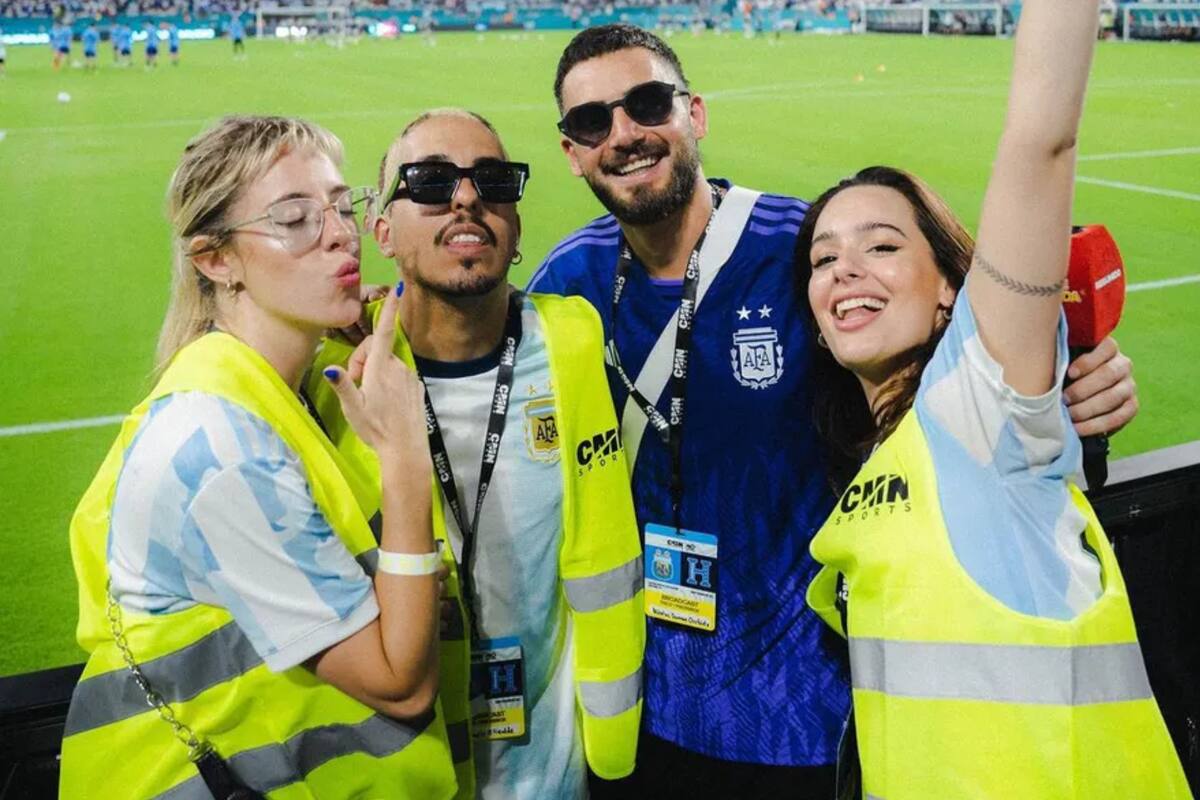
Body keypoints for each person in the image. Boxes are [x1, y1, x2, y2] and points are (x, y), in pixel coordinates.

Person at [528, 22, 1141, 799]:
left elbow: (956, 349)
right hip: (646, 713)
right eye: (593, 121)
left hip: (809, 718)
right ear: (572, 151)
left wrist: (1074, 380)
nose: (623, 134)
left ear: (695, 113)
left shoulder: (805, 251)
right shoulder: (568, 281)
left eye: (648, 103)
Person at [796, 1, 1191, 796]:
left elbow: (1041, 139)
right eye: (823, 259)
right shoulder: (875, 466)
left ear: (952, 285)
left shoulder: (979, 401)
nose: (846, 270)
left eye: (882, 245)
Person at [60, 115, 458, 799]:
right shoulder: (223, 450)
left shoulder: (297, 389)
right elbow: (401, 683)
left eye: (342, 207)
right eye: (294, 219)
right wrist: (404, 462)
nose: (340, 234)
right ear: (216, 260)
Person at [308, 108, 645, 800]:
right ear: (381, 230)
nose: (466, 198)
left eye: (492, 181)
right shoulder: (334, 386)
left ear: (515, 227)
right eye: (431, 182)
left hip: (562, 780)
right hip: (412, 779)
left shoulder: (573, 342)